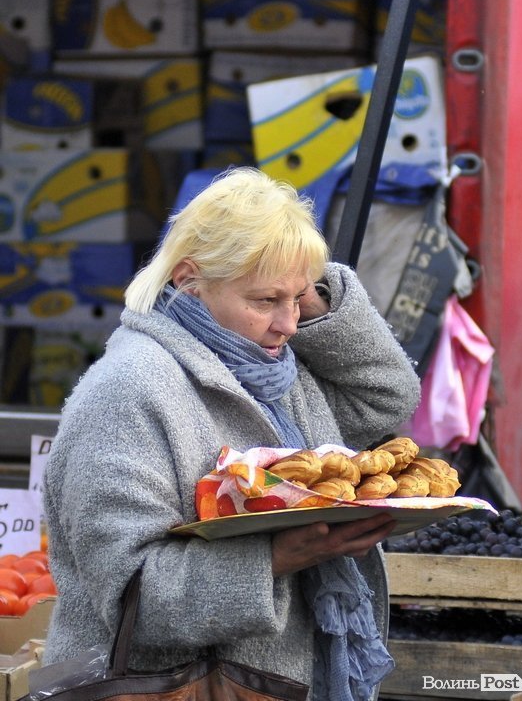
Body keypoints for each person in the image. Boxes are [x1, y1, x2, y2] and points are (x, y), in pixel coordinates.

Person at [43, 168, 421, 701]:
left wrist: (295, 282)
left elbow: (385, 395)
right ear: (189, 280)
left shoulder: (278, 370)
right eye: (265, 300)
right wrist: (278, 556)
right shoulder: (128, 391)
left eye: (299, 299)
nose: (290, 324)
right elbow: (132, 596)